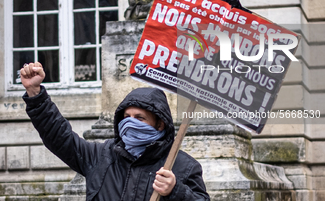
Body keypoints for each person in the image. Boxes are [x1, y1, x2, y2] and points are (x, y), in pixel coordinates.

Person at [21, 62, 210, 201]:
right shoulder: (100, 156)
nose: (130, 124)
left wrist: (175, 191)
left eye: (139, 118)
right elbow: (59, 136)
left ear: (160, 124)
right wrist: (35, 95)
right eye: (126, 117)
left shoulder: (183, 167)